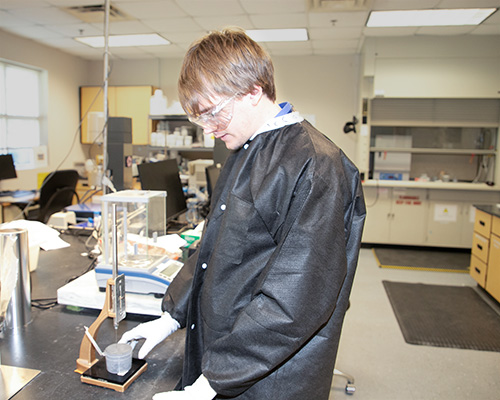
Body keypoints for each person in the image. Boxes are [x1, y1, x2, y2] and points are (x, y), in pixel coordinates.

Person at [120, 27, 366, 400]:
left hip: (271, 370)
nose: (208, 128)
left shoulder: (315, 165)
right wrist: (171, 316)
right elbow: (214, 245)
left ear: (253, 91)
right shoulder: (246, 150)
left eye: (214, 112)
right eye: (198, 117)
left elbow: (296, 299)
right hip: (229, 348)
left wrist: (214, 379)